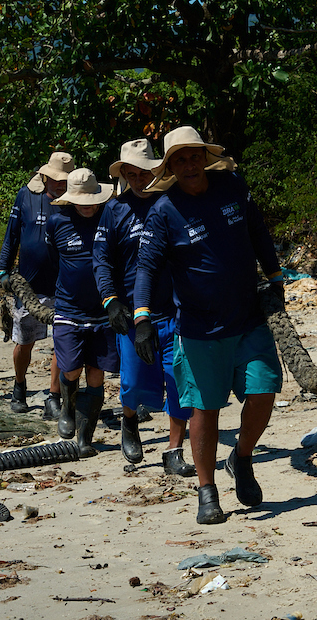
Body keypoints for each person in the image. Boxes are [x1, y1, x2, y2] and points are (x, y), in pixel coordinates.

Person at [133, 126, 284, 524]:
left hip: (249, 317)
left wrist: (275, 278)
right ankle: (207, 489)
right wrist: (142, 316)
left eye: (193, 157)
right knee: (206, 410)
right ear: (169, 167)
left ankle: (243, 457)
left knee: (265, 391)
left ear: (205, 157)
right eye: (178, 160)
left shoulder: (232, 186)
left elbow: (258, 232)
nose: (188, 165)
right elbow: (146, 267)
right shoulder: (164, 210)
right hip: (200, 329)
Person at [93, 139, 195, 476]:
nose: (140, 179)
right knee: (134, 381)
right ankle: (130, 419)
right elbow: (102, 260)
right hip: (132, 315)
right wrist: (110, 301)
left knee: (179, 382)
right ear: (123, 174)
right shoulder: (114, 210)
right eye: (132, 174)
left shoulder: (171, 204)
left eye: (146, 172)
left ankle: (174, 449)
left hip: (175, 310)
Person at [0, 152, 75, 415]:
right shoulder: (26, 196)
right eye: (54, 179)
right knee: (24, 342)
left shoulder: (76, 201)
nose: (59, 184)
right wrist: (2, 270)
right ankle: (19, 385)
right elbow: (12, 234)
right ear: (44, 177)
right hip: (28, 285)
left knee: (62, 342)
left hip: (63, 284)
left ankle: (54, 396)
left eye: (64, 179)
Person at [47, 168, 117, 457]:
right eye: (80, 198)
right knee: (72, 368)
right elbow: (54, 260)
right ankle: (67, 407)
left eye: (91, 198)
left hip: (103, 310)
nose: (86, 203)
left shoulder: (109, 218)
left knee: (97, 374)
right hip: (68, 308)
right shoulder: (57, 223)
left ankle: (86, 436)